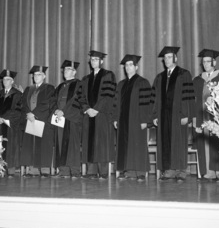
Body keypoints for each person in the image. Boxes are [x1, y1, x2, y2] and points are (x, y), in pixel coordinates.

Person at [152, 46, 195, 182]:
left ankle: (181, 171)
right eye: (165, 58)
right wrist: (154, 116)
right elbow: (155, 99)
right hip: (163, 116)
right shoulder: (160, 77)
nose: (166, 60)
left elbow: (188, 96)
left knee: (179, 142)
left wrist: (185, 114)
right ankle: (169, 170)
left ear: (175, 58)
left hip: (178, 115)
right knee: (165, 142)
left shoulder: (184, 74)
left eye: (169, 57)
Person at [192, 49, 219, 182]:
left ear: (214, 62)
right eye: (203, 62)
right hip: (202, 115)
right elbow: (194, 101)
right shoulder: (198, 80)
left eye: (208, 61)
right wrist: (195, 120)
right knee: (205, 143)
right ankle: (208, 172)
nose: (206, 64)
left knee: (218, 141)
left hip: (218, 116)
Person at [113, 54, 152, 181]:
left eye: (131, 65)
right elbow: (116, 103)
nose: (128, 67)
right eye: (126, 65)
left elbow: (147, 103)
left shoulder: (143, 82)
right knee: (124, 145)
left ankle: (140, 172)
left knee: (138, 144)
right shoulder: (121, 84)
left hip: (137, 119)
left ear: (136, 67)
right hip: (123, 120)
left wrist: (145, 120)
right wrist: (115, 119)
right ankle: (127, 170)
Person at [78, 50, 116, 180]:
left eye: (96, 59)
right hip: (88, 116)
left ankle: (103, 172)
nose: (93, 61)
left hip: (102, 115)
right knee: (90, 142)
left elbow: (108, 95)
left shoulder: (108, 75)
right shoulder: (85, 79)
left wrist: (97, 109)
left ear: (101, 61)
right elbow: (81, 97)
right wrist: (87, 109)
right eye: (92, 59)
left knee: (102, 142)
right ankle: (91, 171)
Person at [20, 65, 56, 177]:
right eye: (35, 74)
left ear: (44, 76)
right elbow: (23, 103)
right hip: (30, 120)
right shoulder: (28, 89)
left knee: (44, 144)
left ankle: (44, 169)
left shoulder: (49, 88)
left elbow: (47, 103)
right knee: (31, 144)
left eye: (39, 74)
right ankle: (33, 169)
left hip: (43, 119)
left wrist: (34, 113)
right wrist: (28, 114)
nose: (36, 76)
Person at [52, 60, 83, 179]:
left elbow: (76, 101)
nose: (65, 71)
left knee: (72, 144)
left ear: (74, 71)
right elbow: (54, 100)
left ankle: (74, 171)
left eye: (69, 69)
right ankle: (63, 170)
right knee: (60, 143)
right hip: (59, 118)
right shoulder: (60, 86)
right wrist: (56, 110)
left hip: (72, 117)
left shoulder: (79, 84)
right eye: (64, 69)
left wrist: (63, 111)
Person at [0, 69, 23, 177]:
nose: (5, 81)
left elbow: (18, 110)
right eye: (4, 79)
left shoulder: (18, 95)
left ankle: (11, 170)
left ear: (12, 81)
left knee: (11, 146)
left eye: (8, 79)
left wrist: (4, 118)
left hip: (10, 125)